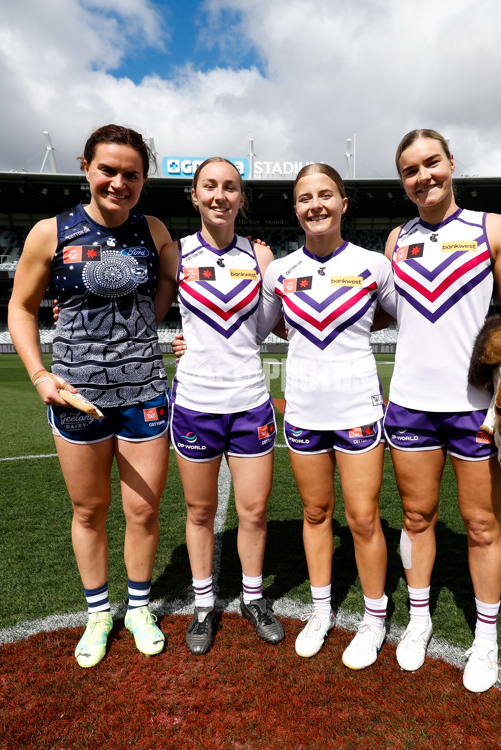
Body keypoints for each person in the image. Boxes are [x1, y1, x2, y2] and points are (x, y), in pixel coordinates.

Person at [8, 124, 172, 668]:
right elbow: (22, 307)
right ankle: (99, 613)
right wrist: (40, 376)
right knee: (89, 509)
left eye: (131, 174)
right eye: (108, 170)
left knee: (143, 512)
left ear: (143, 179)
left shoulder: (155, 231)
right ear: (85, 168)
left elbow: (172, 283)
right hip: (76, 397)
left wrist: (157, 327)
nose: (118, 183)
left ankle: (139, 608)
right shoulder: (49, 232)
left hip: (145, 391)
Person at [383, 129, 501, 692]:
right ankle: (420, 619)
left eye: (432, 163)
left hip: (477, 410)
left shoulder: (491, 227)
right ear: (402, 181)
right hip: (409, 408)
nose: (423, 176)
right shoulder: (396, 239)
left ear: (451, 163)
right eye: (410, 170)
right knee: (417, 518)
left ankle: (487, 638)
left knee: (480, 524)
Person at [257, 163, 397, 670]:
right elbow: (265, 327)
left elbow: (392, 314)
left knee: (362, 518)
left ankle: (375, 618)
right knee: (316, 514)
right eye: (304, 198)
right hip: (304, 411)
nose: (315, 205)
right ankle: (321, 612)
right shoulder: (280, 271)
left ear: (343, 203)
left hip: (358, 407)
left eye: (325, 195)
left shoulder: (374, 265)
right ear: (295, 208)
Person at [155, 157, 284, 654]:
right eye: (210, 186)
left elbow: (278, 322)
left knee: (253, 510)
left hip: (250, 400)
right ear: (194, 195)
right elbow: (154, 312)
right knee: (200, 510)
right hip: (194, 403)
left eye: (230, 187)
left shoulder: (261, 256)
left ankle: (253, 599)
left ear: (241, 198)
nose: (220, 195)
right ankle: (204, 604)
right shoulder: (175, 253)